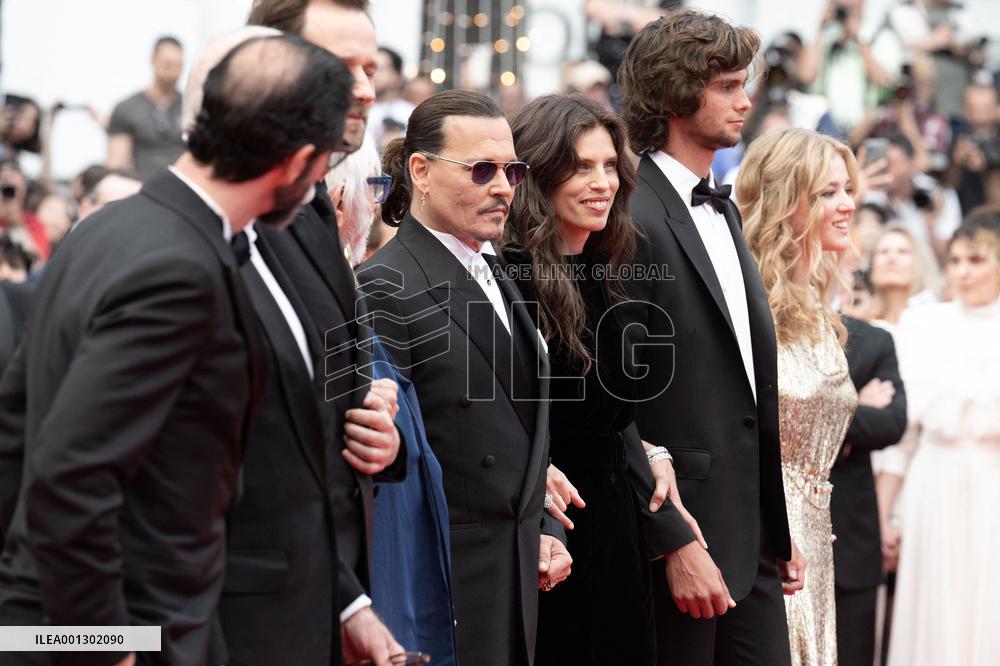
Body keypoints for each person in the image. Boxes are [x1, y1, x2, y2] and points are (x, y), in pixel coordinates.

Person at [0, 34, 352, 665]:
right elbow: (70, 474)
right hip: (125, 627)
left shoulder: (107, 227)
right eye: (327, 163)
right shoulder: (178, 268)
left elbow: (15, 431)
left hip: (65, 613)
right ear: (299, 161)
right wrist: (109, 648)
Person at [174, 28, 404, 666]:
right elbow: (79, 481)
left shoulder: (283, 237)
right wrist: (114, 644)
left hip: (308, 600)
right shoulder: (167, 256)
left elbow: (303, 438)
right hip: (200, 621)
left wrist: (378, 438)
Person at [357, 89, 570, 666]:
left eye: (512, 170)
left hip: (517, 579)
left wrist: (548, 526)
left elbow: (520, 432)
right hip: (445, 589)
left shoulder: (496, 272)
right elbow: (399, 468)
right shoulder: (384, 285)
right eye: (481, 170)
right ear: (420, 172)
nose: (503, 187)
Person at [617, 11, 802, 664]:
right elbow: (614, 404)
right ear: (674, 94)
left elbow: (747, 387)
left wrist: (772, 528)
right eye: (727, 85)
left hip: (749, 541)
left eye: (742, 83)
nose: (745, 100)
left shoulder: (719, 206)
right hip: (678, 541)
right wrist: (672, 540)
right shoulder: (631, 217)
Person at [502, 92, 703, 666]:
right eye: (582, 166)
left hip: (617, 527)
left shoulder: (608, 269)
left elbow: (611, 411)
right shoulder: (511, 280)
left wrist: (646, 446)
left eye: (610, 165)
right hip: (553, 533)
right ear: (540, 174)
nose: (602, 182)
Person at [245, 5, 405, 664]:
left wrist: (376, 434)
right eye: (342, 68)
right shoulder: (183, 241)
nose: (366, 90)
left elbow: (325, 429)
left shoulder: (311, 229)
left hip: (324, 602)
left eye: (370, 68)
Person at [326, 140, 458, 665]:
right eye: (371, 190)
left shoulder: (343, 291)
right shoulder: (370, 285)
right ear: (339, 200)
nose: (376, 209)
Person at [738, 127, 861, 665]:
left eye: (848, 189)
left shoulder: (816, 299)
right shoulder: (749, 296)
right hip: (769, 531)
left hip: (816, 530)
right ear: (787, 200)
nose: (847, 205)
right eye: (827, 193)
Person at [880, 223, 1000, 666]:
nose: (963, 272)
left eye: (977, 260)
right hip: (934, 488)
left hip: (993, 491)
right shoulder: (923, 325)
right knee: (935, 610)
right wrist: (885, 513)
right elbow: (903, 438)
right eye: (956, 261)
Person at [829, 309, 908, 666]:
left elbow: (892, 423)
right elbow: (771, 414)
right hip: (778, 537)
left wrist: (821, 424)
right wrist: (855, 406)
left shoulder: (875, 340)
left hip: (852, 540)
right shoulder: (767, 323)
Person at [106, 36, 186, 181]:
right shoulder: (127, 109)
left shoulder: (193, 107)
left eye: (178, 66)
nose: (174, 72)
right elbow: (116, 167)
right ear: (153, 61)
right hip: (142, 189)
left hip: (185, 190)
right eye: (167, 65)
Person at [868, 224, 940, 331]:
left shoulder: (936, 318)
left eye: (902, 251)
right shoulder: (863, 320)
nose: (891, 257)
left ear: (919, 262)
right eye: (884, 251)